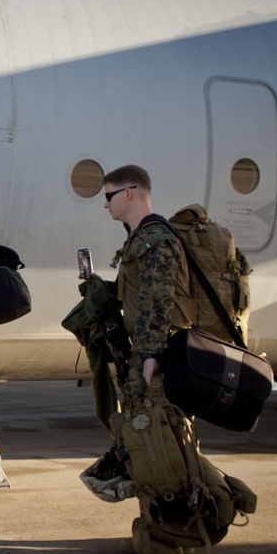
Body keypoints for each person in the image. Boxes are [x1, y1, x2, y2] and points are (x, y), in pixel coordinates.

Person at [103, 165, 192, 409]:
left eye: (109, 196)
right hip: (143, 349)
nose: (106, 204)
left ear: (128, 193)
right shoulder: (140, 237)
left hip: (155, 353)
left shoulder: (153, 239)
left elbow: (158, 298)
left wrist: (150, 355)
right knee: (138, 426)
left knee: (154, 428)